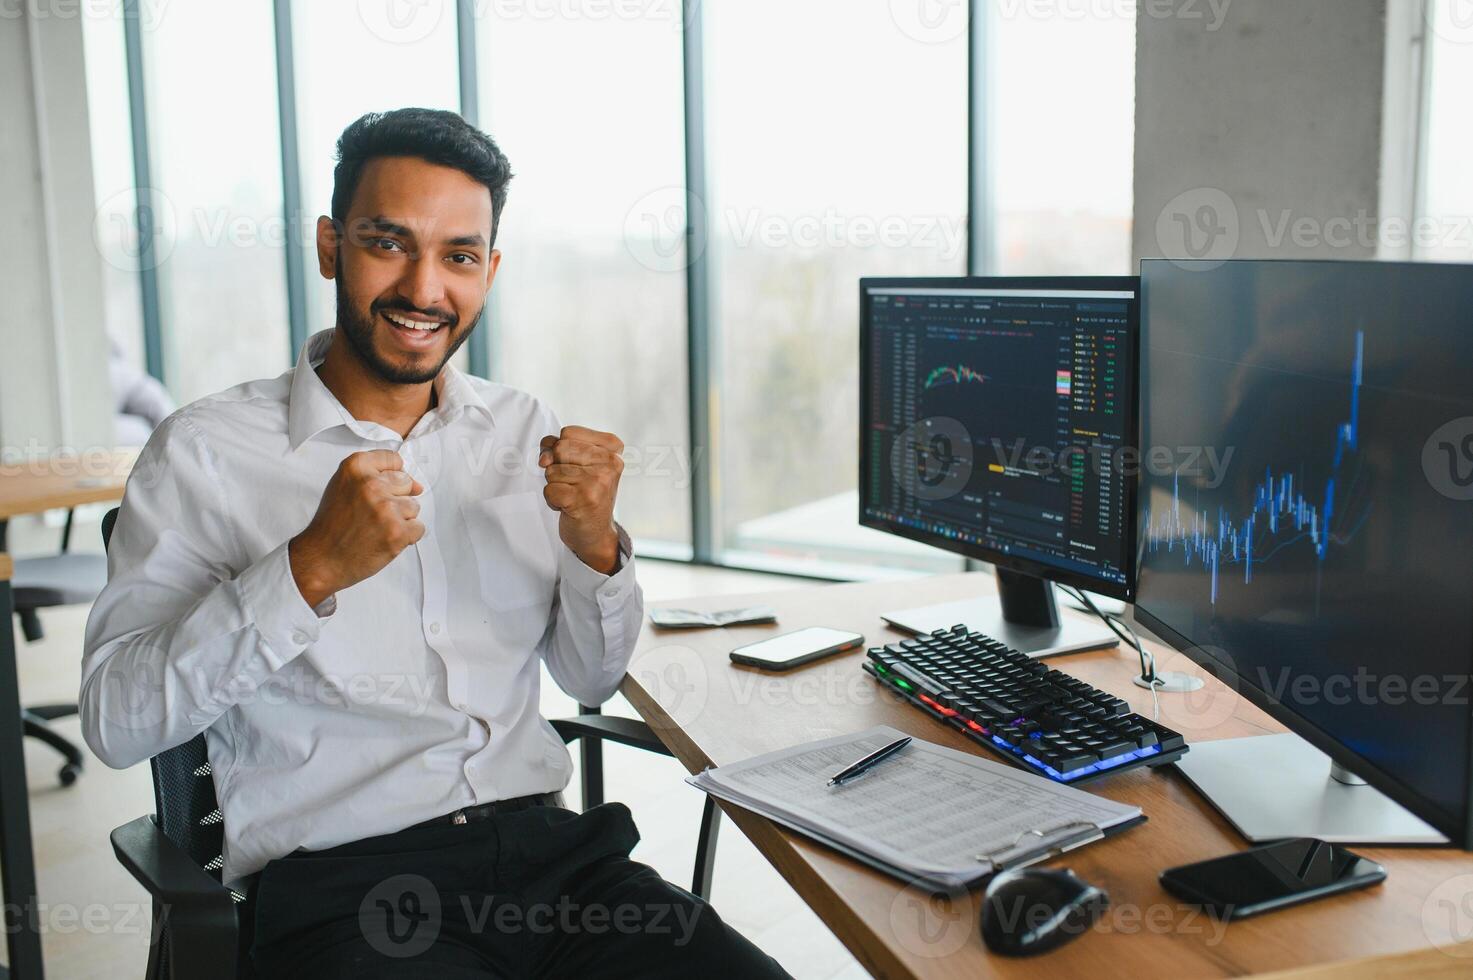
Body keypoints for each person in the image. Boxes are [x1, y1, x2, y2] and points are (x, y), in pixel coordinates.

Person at [81, 108, 789, 979]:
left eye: (457, 255)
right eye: (388, 243)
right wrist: (305, 572)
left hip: (557, 868)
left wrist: (593, 544)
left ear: (487, 271)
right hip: (345, 890)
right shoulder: (202, 451)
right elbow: (116, 721)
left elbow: (591, 678)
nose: (424, 289)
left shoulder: (523, 426)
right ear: (330, 246)